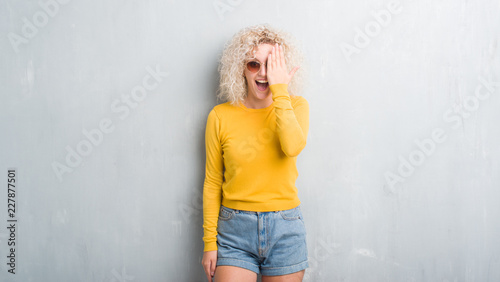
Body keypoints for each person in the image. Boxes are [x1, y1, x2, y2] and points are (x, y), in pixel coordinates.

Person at [201, 23, 310, 282]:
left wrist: (280, 90)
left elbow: (292, 146)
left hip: (286, 228)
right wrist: (209, 243)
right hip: (234, 231)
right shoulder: (220, 116)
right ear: (241, 68)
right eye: (253, 64)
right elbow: (213, 182)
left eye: (271, 65)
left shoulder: (296, 106)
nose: (263, 73)